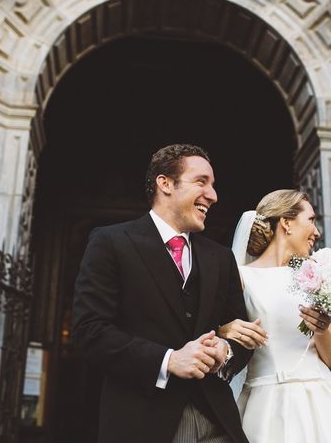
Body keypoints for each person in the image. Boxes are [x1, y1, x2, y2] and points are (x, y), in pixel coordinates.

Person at [72, 144, 253, 443]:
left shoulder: (221, 257)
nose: (213, 195)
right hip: (143, 421)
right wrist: (168, 360)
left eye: (213, 185)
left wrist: (226, 351)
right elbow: (90, 331)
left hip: (218, 422)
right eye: (201, 181)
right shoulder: (111, 242)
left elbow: (240, 333)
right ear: (165, 183)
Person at [218, 189, 331, 442]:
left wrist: (321, 328)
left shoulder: (313, 277)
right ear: (286, 222)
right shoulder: (243, 277)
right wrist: (224, 329)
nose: (317, 232)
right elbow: (213, 328)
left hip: (321, 399)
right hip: (265, 403)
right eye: (311, 220)